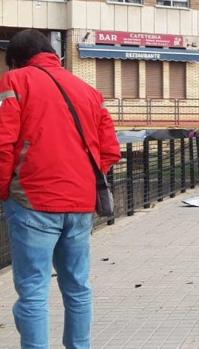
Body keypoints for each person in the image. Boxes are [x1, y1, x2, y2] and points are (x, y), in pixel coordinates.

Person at [0, 29, 121, 348]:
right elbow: (110, 150)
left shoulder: (14, 82)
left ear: (15, 60)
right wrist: (81, 179)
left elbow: (3, 145)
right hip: (81, 205)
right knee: (78, 287)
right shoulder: (87, 90)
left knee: (33, 292)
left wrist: (3, 190)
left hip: (32, 201)